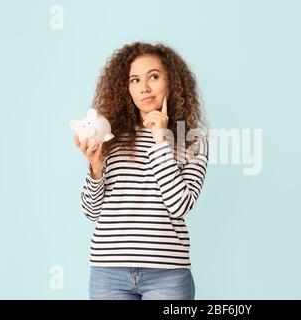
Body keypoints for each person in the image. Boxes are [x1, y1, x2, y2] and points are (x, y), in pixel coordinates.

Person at [73, 42, 209, 300]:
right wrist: (96, 167)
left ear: (172, 81)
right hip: (108, 271)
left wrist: (160, 140)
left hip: (167, 274)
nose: (144, 88)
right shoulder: (112, 137)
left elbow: (179, 205)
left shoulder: (192, 140)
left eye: (154, 77)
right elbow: (90, 211)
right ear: (126, 88)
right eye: (135, 80)